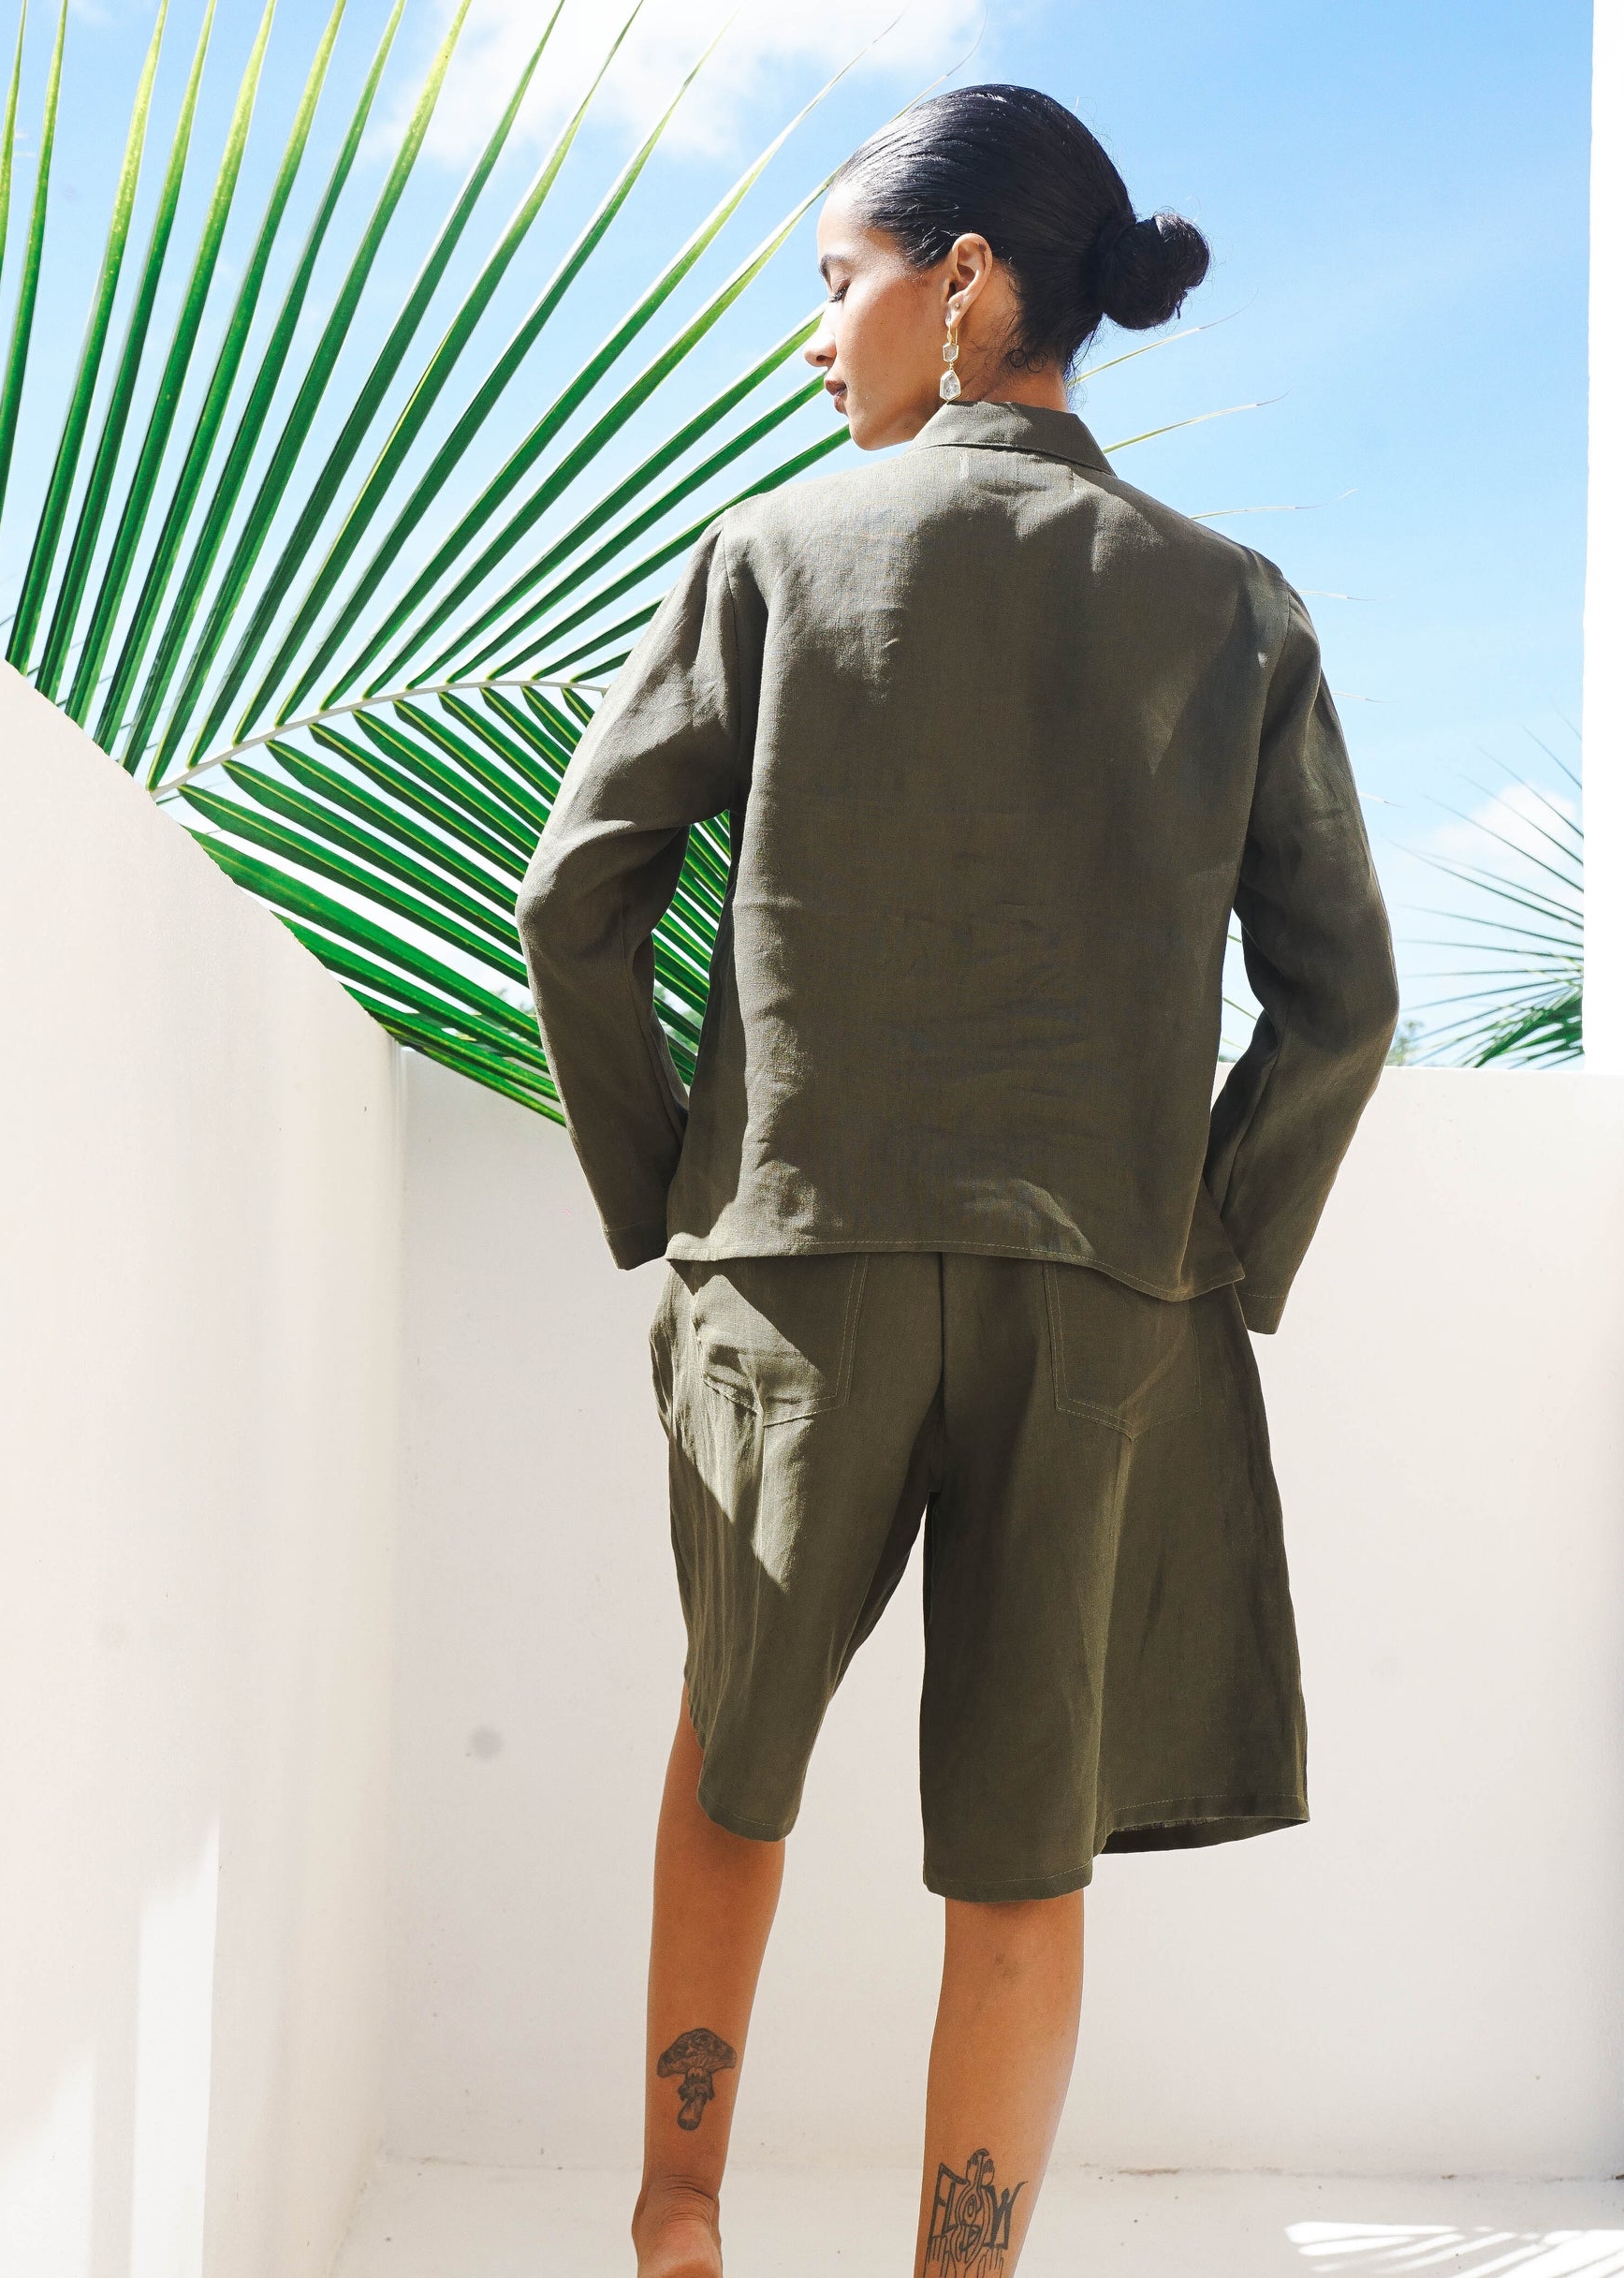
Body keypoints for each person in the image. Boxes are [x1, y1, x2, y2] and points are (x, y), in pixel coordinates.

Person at [514, 83, 1399, 2278]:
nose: (817, 334)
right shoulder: (1229, 603)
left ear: (965, 278)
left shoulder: (768, 558)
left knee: (733, 1757)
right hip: (1097, 1295)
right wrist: (1208, 1242)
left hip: (789, 1276)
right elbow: (1343, 998)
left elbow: (576, 900)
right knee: (1020, 1845)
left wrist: (672, 1192)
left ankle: (678, 2216)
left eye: (838, 282)